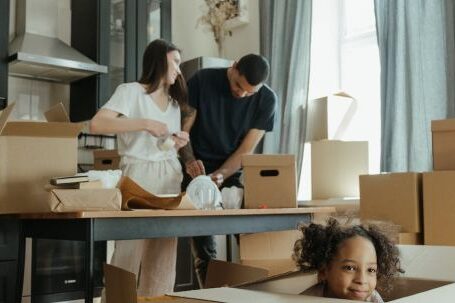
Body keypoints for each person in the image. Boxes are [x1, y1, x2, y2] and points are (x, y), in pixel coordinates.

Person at [90, 39, 189, 297]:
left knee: (163, 252)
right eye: (175, 61)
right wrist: (144, 123)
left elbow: (161, 147)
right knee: (128, 250)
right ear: (159, 59)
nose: (179, 68)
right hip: (138, 177)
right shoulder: (131, 91)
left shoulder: (175, 104)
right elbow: (97, 124)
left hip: (168, 176)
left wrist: (175, 143)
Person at [179, 54, 277, 286]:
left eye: (249, 92)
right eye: (238, 86)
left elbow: (246, 150)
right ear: (233, 68)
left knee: (253, 242)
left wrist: (221, 175)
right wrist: (191, 162)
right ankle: (213, 298)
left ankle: (258, 295)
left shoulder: (267, 99)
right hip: (196, 175)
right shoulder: (202, 81)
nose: (241, 94)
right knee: (205, 254)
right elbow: (182, 130)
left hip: (231, 173)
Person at [293, 218, 403, 302]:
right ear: (324, 271)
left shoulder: (373, 298)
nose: (362, 280)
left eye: (371, 270)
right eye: (350, 268)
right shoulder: (306, 300)